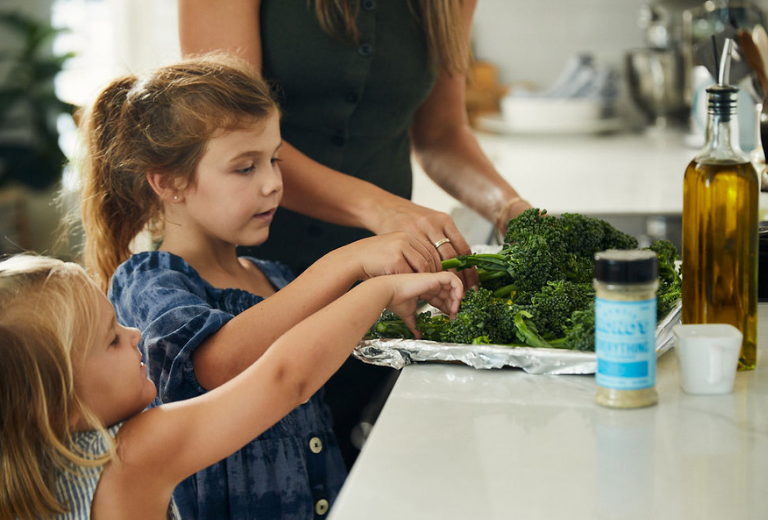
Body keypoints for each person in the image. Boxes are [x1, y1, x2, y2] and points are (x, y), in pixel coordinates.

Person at [77, 53, 452, 520]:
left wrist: (411, 299)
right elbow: (217, 364)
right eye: (244, 167)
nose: (274, 184)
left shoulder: (273, 278)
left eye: (274, 160)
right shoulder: (148, 282)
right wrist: (351, 260)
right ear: (169, 183)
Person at [178, 0, 535, 467]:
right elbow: (222, 130)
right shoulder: (174, 291)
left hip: (386, 288)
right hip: (257, 279)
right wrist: (378, 209)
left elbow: (442, 131)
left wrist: (511, 209)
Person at [0, 254, 462, 520]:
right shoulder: (130, 458)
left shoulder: (32, 482)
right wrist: (376, 289)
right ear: (60, 405)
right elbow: (284, 378)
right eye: (112, 340)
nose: (135, 335)